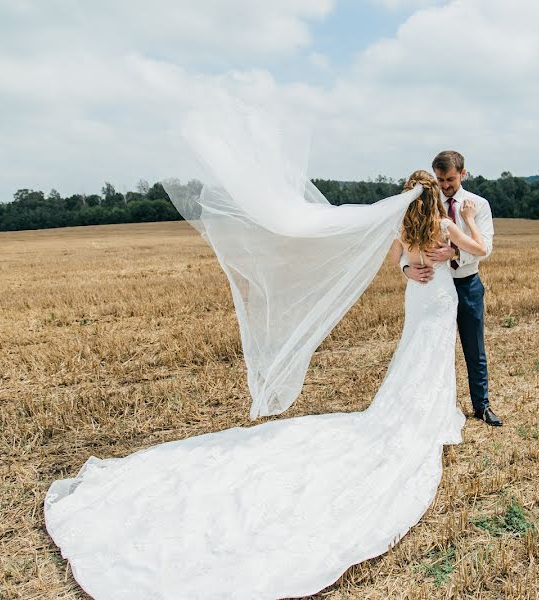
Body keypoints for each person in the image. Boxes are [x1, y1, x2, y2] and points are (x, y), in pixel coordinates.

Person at [44, 106, 489, 599]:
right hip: (435, 295)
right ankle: (430, 419)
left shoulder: (404, 227)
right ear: (437, 190)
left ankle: (428, 414)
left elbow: (402, 258)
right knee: (426, 357)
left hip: (422, 296)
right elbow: (476, 251)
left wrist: (413, 265)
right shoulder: (443, 226)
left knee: (417, 356)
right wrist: (454, 235)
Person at [400, 151, 502, 426]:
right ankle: (432, 405)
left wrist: (454, 254)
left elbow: (486, 249)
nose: (445, 185)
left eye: (451, 179)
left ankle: (481, 405)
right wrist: (407, 269)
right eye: (441, 180)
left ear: (463, 174)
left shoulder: (478, 204)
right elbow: (404, 250)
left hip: (467, 283)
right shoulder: (426, 206)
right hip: (433, 285)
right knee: (430, 347)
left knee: (474, 348)